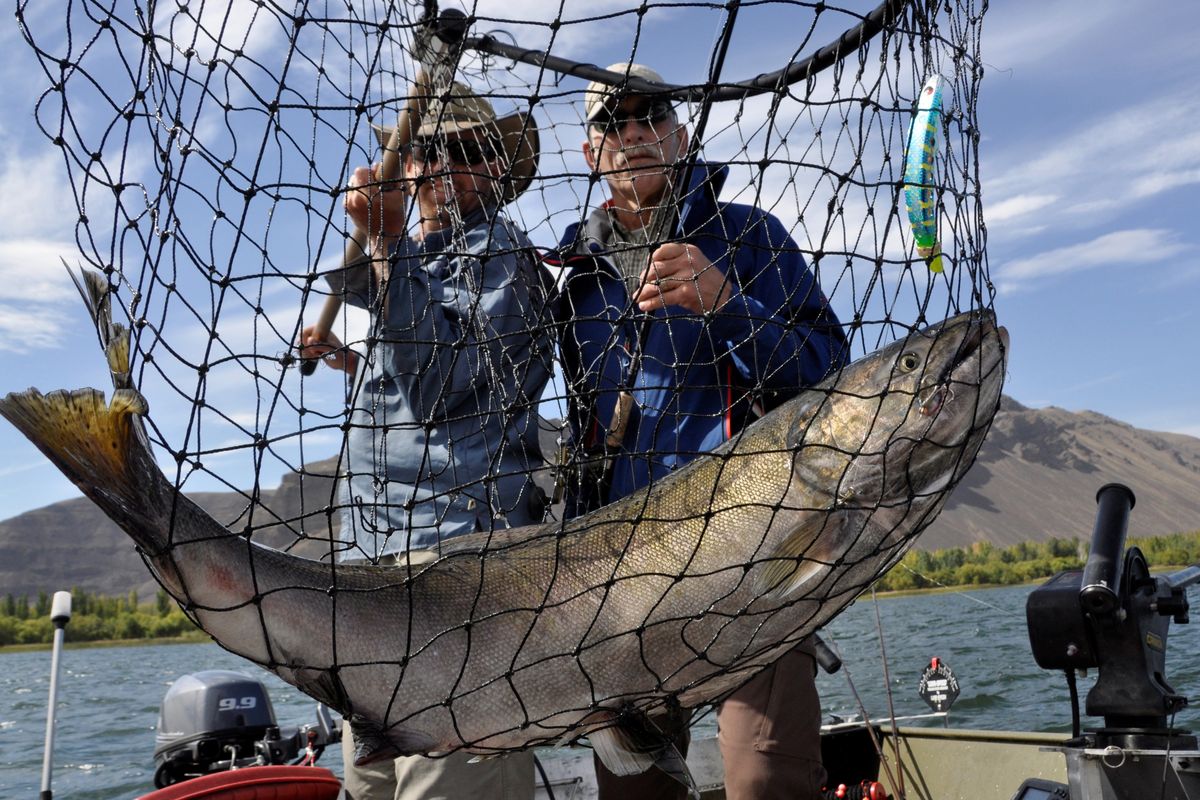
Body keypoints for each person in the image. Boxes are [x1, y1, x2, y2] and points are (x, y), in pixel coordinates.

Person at [551, 64, 849, 799]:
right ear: (591, 154)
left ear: (679, 136)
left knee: (765, 779)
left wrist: (726, 303)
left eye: (650, 115)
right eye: (611, 123)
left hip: (756, 556)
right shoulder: (572, 278)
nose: (632, 134)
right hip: (624, 583)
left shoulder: (751, 235)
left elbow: (830, 375)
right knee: (635, 792)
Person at [300, 82, 550, 800]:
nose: (439, 163)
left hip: (456, 595)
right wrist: (359, 357)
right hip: (372, 587)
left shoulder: (504, 256)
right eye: (425, 148)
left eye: (464, 150)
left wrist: (383, 241)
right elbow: (417, 402)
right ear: (404, 165)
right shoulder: (407, 265)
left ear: (496, 171)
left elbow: (441, 390)